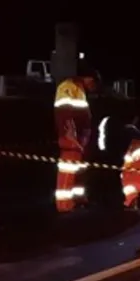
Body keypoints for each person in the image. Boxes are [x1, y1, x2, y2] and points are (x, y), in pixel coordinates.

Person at [53, 67, 99, 212]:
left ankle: (78, 198)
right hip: (71, 138)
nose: (93, 87)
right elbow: (65, 114)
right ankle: (64, 204)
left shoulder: (78, 89)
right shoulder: (69, 87)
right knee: (68, 169)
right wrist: (70, 136)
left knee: (79, 170)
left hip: (79, 138)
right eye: (93, 83)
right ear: (88, 78)